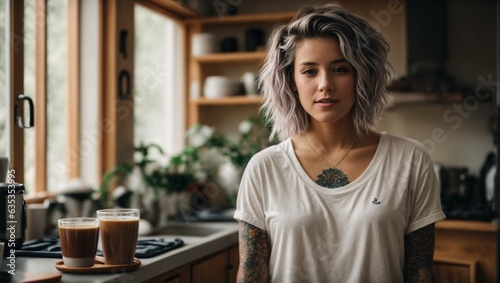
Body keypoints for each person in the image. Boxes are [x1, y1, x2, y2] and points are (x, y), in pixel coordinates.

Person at [233, 3, 446, 283]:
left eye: (340, 69)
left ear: (361, 75)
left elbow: (420, 273)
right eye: (309, 71)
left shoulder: (410, 159)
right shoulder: (264, 168)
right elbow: (251, 276)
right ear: (292, 80)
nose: (325, 84)